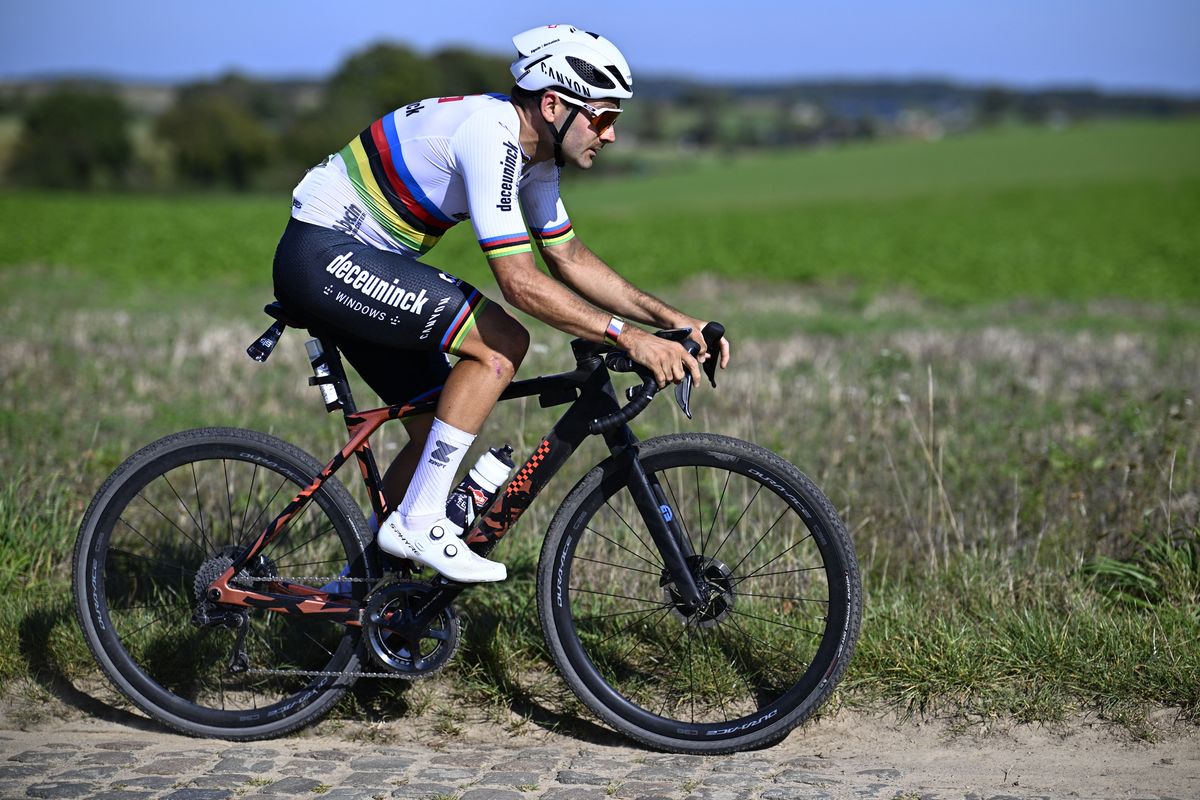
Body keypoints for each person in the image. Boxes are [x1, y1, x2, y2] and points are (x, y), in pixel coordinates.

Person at [273, 24, 730, 583]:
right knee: (502, 344)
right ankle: (418, 524)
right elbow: (519, 282)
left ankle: (358, 593)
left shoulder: (538, 157)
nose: (610, 135)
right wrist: (628, 337)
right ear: (554, 104)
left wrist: (677, 322)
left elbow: (568, 258)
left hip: (353, 259)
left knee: (435, 426)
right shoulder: (490, 135)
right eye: (603, 117)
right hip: (324, 252)